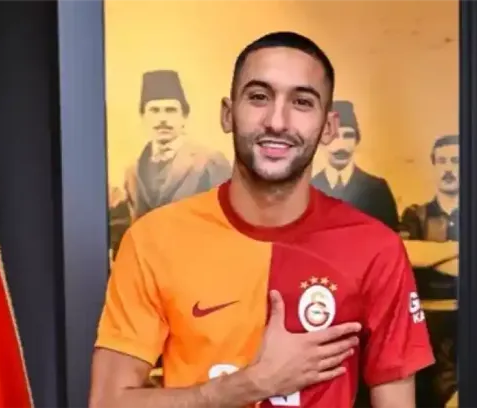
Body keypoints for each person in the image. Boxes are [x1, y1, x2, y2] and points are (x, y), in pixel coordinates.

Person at [89, 31, 433, 408]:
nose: (277, 121)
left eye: (302, 102)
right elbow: (107, 403)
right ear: (227, 113)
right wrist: (250, 384)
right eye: (258, 97)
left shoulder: (375, 248)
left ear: (329, 127)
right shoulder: (153, 240)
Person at [108, 70, 232, 258]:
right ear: (143, 117)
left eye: (171, 110)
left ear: (184, 117)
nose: (162, 119)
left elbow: (228, 225)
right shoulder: (132, 170)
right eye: (154, 110)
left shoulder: (209, 162)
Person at [399, 134, 459, 408]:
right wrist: (456, 248)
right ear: (434, 166)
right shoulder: (415, 215)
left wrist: (430, 256)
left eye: (456, 161)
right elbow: (406, 253)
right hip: (426, 324)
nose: (448, 168)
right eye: (442, 161)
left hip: (471, 323)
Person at [311, 100, 400, 231]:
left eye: (348, 136)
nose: (341, 145)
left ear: (356, 141)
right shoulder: (308, 191)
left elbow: (390, 238)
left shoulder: (377, 190)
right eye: (334, 136)